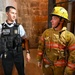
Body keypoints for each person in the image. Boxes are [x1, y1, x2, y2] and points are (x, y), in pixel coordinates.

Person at [37, 6, 75, 75]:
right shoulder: (46, 33)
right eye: (52, 18)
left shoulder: (69, 37)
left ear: (61, 20)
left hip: (60, 70)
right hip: (47, 68)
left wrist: (69, 71)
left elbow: (73, 57)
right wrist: (39, 59)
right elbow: (41, 47)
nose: (51, 20)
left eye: (54, 18)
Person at [0, 6, 30, 75]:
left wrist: (28, 52)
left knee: (21, 72)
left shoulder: (19, 27)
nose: (14, 15)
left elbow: (25, 39)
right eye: (12, 13)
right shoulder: (1, 27)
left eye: (15, 13)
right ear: (7, 13)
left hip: (18, 53)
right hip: (6, 54)